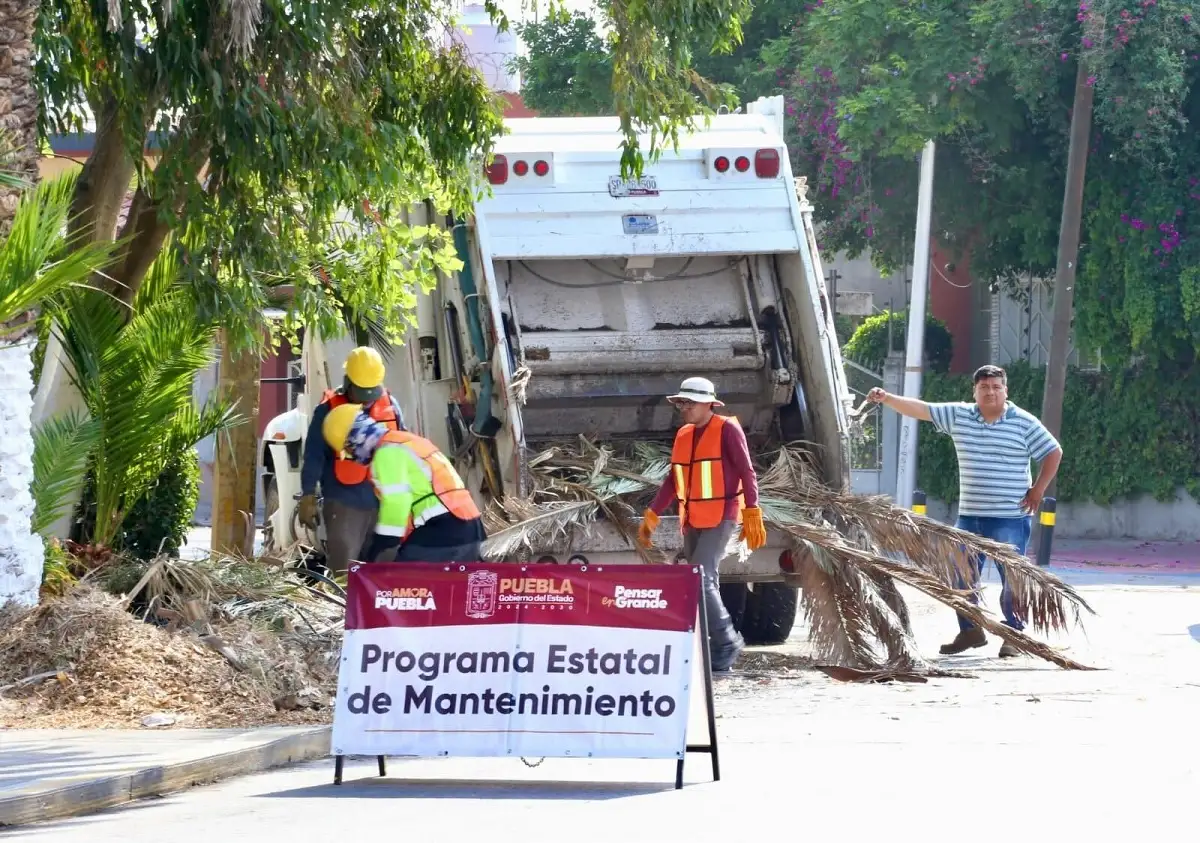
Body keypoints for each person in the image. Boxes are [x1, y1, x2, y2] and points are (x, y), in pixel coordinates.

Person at [868, 364, 1064, 657]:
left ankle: (1014, 636)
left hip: (1010, 516)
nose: (990, 392)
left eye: (996, 387)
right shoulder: (960, 416)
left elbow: (1053, 451)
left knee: (1013, 579)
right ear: (975, 391)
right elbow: (922, 409)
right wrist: (887, 398)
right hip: (970, 515)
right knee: (959, 575)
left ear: (1005, 390)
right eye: (984, 387)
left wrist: (1038, 490)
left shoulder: (1023, 422)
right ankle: (971, 630)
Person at [638, 377, 768, 674]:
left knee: (699, 577)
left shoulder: (727, 429)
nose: (684, 408)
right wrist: (653, 513)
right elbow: (674, 479)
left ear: (709, 404)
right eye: (681, 403)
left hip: (722, 515)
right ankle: (710, 645)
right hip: (693, 517)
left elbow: (747, 472)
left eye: (690, 403)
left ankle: (726, 642)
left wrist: (752, 510)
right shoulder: (684, 434)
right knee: (705, 580)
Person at [321, 403, 487, 564]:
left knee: (399, 579)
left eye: (349, 449)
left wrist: (382, 543)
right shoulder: (407, 441)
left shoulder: (386, 452)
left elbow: (397, 502)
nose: (352, 456)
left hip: (444, 529)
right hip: (471, 525)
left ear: (356, 438)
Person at [298, 346, 407, 574]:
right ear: (347, 382)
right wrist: (308, 494)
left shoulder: (391, 406)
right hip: (344, 504)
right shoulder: (327, 410)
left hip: (386, 503)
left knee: (383, 573)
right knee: (344, 571)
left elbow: (404, 447)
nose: (367, 399)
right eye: (362, 392)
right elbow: (314, 455)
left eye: (372, 392)